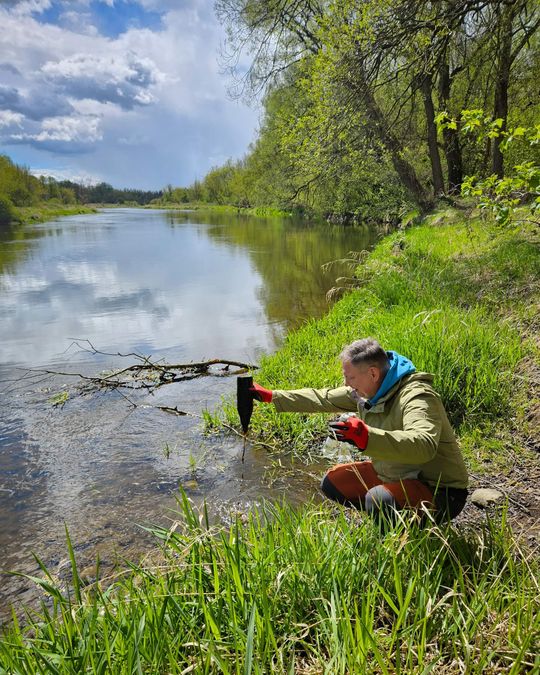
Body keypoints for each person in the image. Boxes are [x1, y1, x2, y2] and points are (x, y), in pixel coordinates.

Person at [250, 337, 468, 524]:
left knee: (379, 500)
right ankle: (389, 515)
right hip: (396, 473)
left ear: (373, 373)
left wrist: (366, 437)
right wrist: (273, 396)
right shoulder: (369, 390)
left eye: (351, 377)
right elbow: (322, 398)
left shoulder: (417, 396)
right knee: (334, 482)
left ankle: (397, 538)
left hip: (439, 489)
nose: (346, 383)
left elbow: (423, 445)